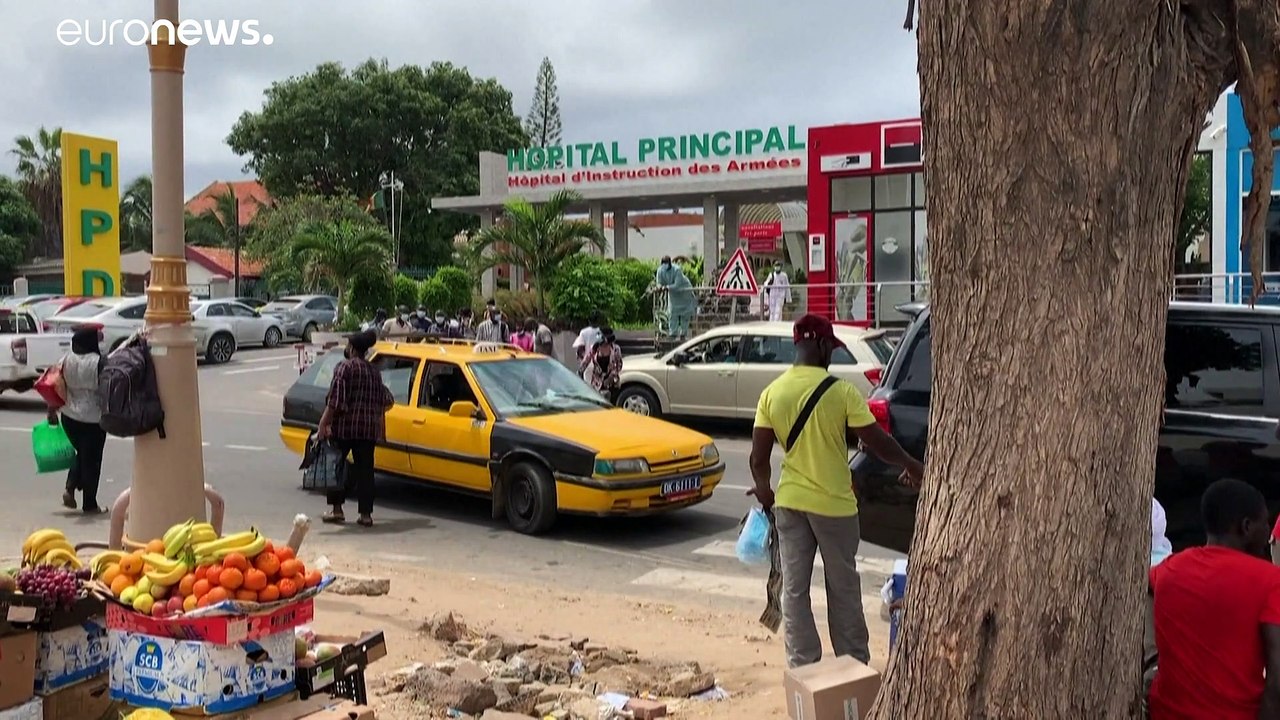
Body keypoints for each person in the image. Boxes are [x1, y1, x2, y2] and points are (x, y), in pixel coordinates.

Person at [749, 314, 924, 668]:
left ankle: (803, 667)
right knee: (842, 586)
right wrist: (910, 464)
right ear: (821, 345)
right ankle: (852, 664)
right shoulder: (840, 392)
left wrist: (765, 491)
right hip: (835, 507)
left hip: (791, 504)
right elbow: (877, 442)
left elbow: (757, 458)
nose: (832, 355)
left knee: (794, 591)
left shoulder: (772, 394)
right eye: (831, 348)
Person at [1148, 479, 1280, 719]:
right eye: (1266, 522)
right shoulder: (1271, 581)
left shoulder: (1170, 568)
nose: (1269, 531)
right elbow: (1277, 679)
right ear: (1247, 527)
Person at [316, 331, 393, 527]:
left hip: (344, 428)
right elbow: (386, 400)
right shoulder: (374, 372)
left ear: (351, 348)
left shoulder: (344, 368)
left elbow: (335, 401)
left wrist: (323, 424)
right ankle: (365, 515)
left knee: (336, 468)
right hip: (367, 431)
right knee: (366, 473)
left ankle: (337, 510)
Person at [50, 327, 109, 514]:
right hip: (93, 418)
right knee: (92, 461)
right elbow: (107, 388)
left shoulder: (65, 360)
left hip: (69, 416)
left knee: (80, 454)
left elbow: (54, 383)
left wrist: (51, 410)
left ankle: (70, 486)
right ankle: (89, 504)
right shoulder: (99, 362)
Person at [582, 328, 623, 401]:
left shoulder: (616, 349)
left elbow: (619, 365)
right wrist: (579, 372)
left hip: (611, 382)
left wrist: (611, 377)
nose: (602, 345)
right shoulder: (594, 348)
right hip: (597, 383)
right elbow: (586, 361)